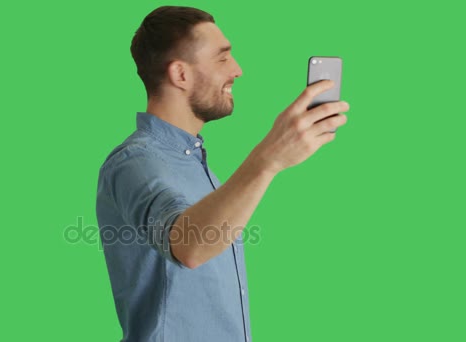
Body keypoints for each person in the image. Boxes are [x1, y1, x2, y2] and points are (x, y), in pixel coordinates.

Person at [96, 6, 349, 342]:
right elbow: (188, 245)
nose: (238, 70)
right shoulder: (135, 163)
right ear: (181, 75)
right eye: (222, 57)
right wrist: (268, 158)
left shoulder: (197, 164)